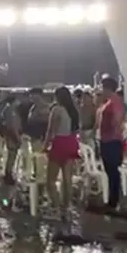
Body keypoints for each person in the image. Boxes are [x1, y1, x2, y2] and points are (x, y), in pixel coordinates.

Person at [44, 87, 82, 218]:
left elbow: (51, 131)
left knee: (50, 181)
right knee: (67, 180)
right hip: (71, 143)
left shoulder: (57, 109)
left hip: (59, 143)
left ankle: (56, 207)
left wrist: (45, 146)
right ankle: (66, 208)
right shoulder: (74, 111)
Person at [96, 76, 125, 209]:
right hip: (106, 140)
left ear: (107, 88)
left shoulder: (115, 102)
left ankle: (114, 201)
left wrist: (113, 129)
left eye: (102, 88)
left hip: (112, 140)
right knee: (109, 171)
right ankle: (112, 199)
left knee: (113, 171)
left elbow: (117, 121)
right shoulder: (108, 102)